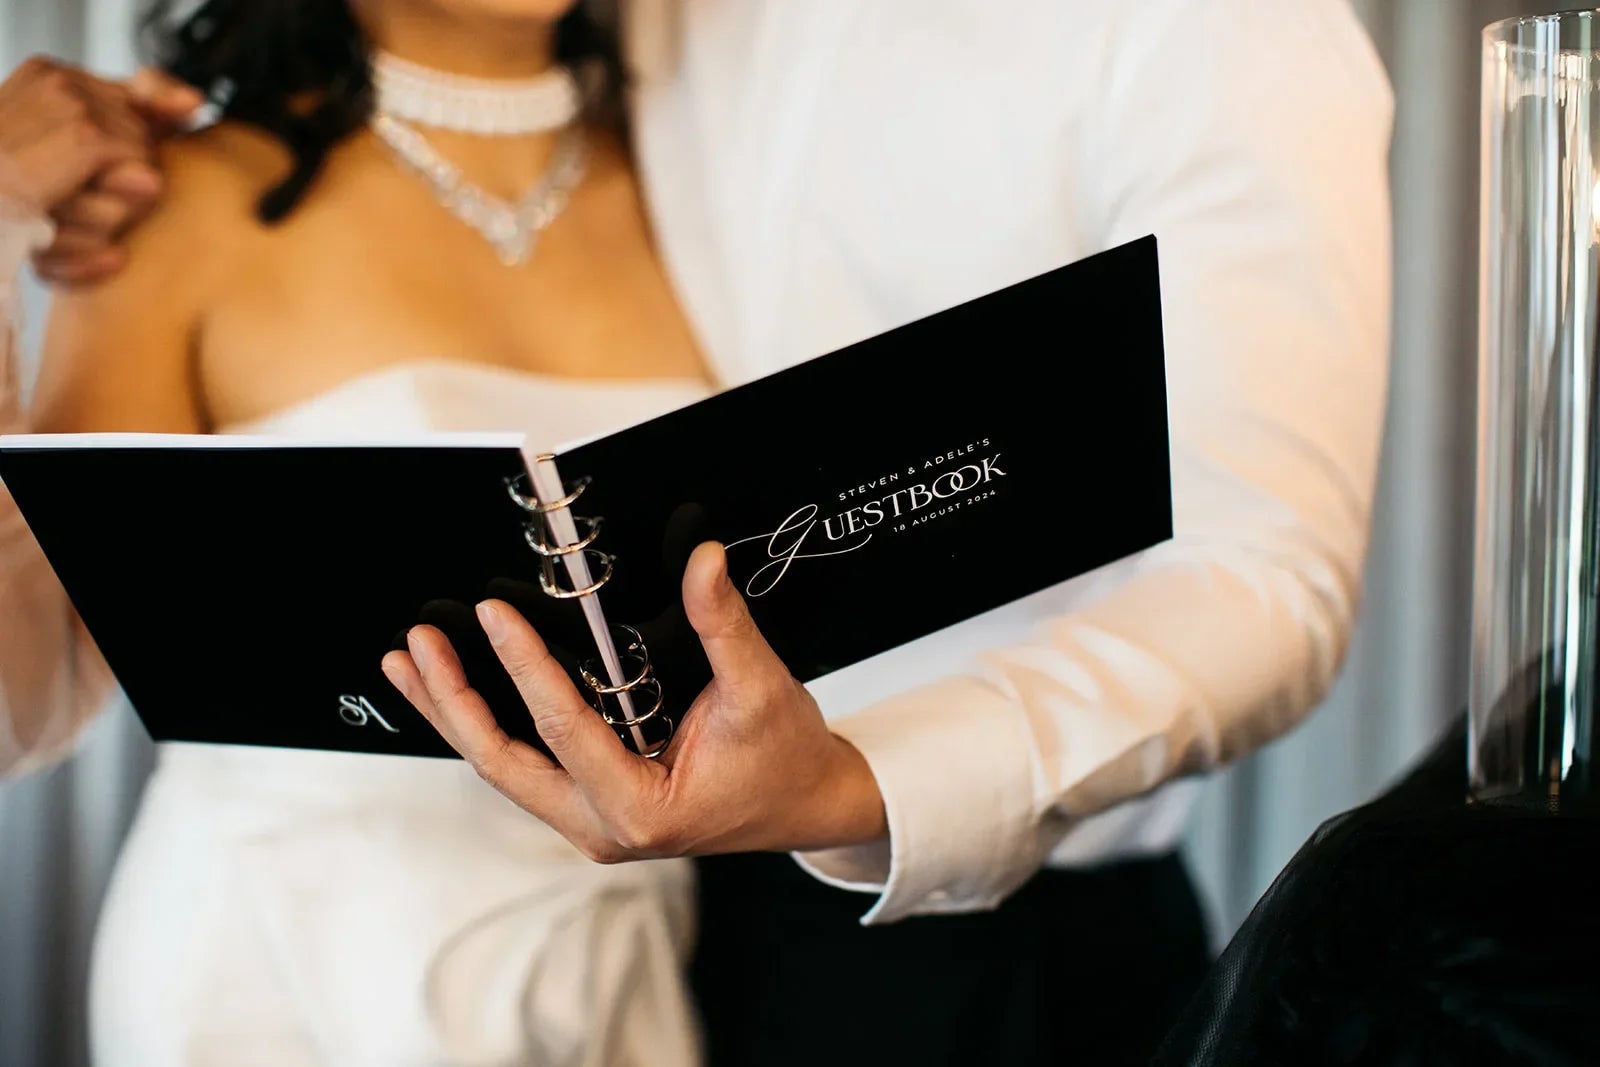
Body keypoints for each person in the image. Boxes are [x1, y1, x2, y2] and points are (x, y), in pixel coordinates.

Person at [0, 1, 1394, 1065]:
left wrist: (859, 784)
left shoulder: (652, 119)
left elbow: (1267, 574)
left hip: (692, 951)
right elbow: (28, 682)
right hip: (303, 966)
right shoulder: (171, 207)